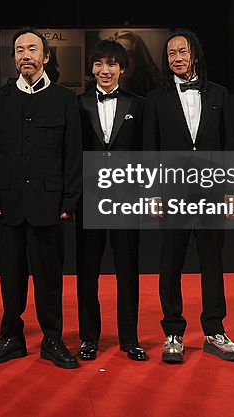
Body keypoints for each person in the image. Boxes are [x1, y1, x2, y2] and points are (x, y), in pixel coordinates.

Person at [142, 28, 234, 363]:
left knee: (212, 262)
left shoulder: (220, 94)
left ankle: (214, 330)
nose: (177, 58)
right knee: (170, 263)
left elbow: (230, 144)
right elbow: (150, 149)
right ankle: (173, 332)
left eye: (183, 52)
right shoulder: (155, 99)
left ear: (195, 55)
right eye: (171, 53)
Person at [0, 28, 82, 370]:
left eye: (32, 49)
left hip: (50, 206)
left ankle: (53, 338)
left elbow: (73, 156)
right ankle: (11, 337)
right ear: (14, 58)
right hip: (7, 204)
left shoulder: (65, 100)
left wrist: (69, 202)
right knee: (11, 276)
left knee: (49, 278)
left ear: (46, 57)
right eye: (20, 49)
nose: (25, 55)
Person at [75, 39, 147, 362]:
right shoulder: (78, 104)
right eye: (99, 64)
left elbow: (147, 155)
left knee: (127, 270)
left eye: (112, 64)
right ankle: (88, 338)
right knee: (87, 271)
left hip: (126, 199)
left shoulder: (139, 105)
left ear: (122, 68)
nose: (105, 71)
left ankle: (130, 339)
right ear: (92, 69)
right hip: (88, 198)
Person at [108, 30, 162, 97]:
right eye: (116, 56)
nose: (122, 62)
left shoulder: (154, 91)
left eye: (128, 55)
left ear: (137, 57)